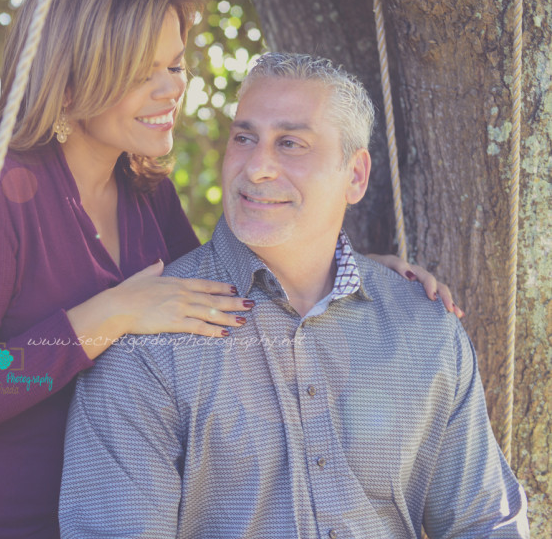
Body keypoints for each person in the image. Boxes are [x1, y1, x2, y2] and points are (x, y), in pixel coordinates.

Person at [0, 0, 458, 538]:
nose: (171, 91)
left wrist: (342, 265)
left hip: (66, 522)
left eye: (175, 65)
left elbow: (226, 292)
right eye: (144, 73)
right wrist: (104, 317)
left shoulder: (140, 187)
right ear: (74, 74)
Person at [59, 53, 528, 539]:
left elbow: (485, 521)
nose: (258, 167)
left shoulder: (424, 328)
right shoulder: (148, 342)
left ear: (356, 175)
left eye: (291, 143)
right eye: (244, 138)